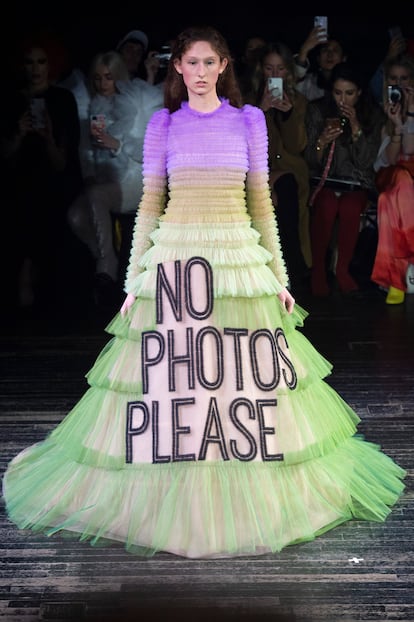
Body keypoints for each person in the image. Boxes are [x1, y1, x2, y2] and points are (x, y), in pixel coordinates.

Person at [2, 26, 405, 560]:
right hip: (175, 262)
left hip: (237, 259)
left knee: (239, 382)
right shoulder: (162, 125)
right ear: (178, 69)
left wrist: (280, 278)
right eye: (188, 63)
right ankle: (178, 490)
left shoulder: (249, 120)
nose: (196, 71)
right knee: (177, 381)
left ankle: (245, 489)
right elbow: (148, 205)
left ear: (222, 68)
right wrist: (132, 283)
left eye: (206, 62)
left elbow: (262, 204)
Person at [67, 50, 164, 305]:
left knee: (95, 197)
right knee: (76, 216)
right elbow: (84, 148)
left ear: (118, 77)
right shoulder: (93, 107)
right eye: (97, 78)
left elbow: (149, 151)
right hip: (105, 182)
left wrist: (117, 144)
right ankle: (105, 259)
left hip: (134, 181)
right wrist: (89, 173)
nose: (102, 84)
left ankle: (107, 266)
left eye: (108, 77)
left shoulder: (135, 102)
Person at [0, 31, 83, 311]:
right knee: (20, 201)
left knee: (44, 203)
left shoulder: (62, 100)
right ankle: (24, 274)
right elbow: (5, 157)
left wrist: (48, 136)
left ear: (51, 65)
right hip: (16, 180)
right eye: (29, 62)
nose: (35, 68)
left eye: (41, 62)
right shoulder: (10, 101)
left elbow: (63, 162)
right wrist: (20, 134)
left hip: (53, 181)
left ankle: (36, 277)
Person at [304, 61, 386, 297]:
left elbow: (365, 162)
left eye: (349, 93)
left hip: (356, 183)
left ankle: (342, 269)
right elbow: (310, 159)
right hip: (325, 181)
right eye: (338, 93)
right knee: (327, 205)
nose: (342, 100)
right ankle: (319, 270)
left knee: (350, 207)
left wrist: (356, 126)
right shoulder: (318, 110)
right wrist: (322, 141)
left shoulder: (373, 115)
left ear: (359, 93)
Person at [242, 41, 312, 290]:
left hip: (290, 172)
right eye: (269, 68)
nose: (274, 75)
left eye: (280, 69)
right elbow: (243, 145)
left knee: (288, 189)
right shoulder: (247, 102)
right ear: (261, 70)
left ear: (289, 72)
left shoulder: (300, 102)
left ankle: (292, 269)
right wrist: (261, 110)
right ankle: (271, 270)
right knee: (271, 193)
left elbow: (297, 146)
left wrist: (289, 115)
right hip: (255, 172)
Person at [370, 54, 414, 304]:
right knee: (401, 178)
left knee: (388, 202)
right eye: (394, 78)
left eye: (405, 78)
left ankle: (394, 279)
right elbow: (392, 158)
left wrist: (410, 113)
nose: (399, 83)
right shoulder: (380, 112)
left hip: (401, 189)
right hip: (390, 175)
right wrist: (396, 124)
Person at [296, 35, 347, 102]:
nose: (330, 54)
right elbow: (294, 84)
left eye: (335, 50)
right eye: (325, 50)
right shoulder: (308, 82)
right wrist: (304, 50)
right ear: (318, 58)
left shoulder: (350, 83)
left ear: (343, 59)